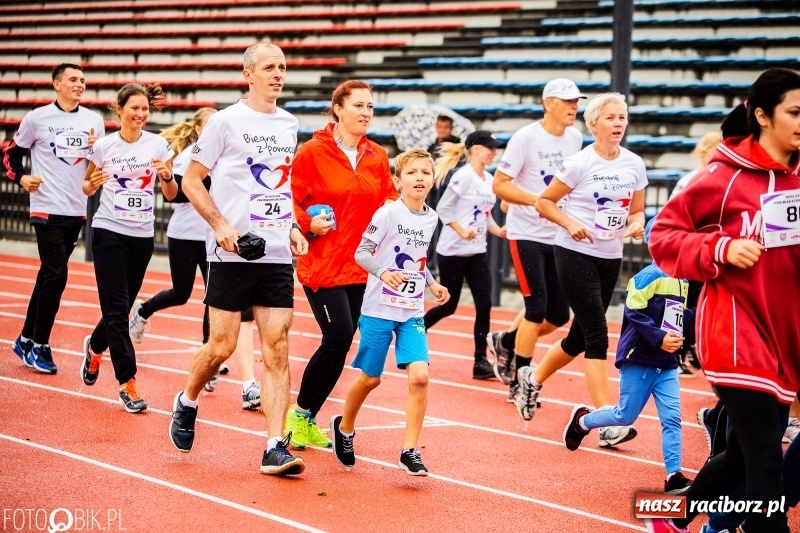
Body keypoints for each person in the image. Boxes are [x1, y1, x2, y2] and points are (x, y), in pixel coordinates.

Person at [645, 68, 800, 533]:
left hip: (784, 337)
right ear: (762, 115)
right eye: (794, 112)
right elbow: (663, 237)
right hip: (734, 332)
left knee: (739, 456)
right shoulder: (722, 176)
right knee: (765, 460)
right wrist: (720, 248)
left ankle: (668, 515)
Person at [167, 43, 309, 476]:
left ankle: (273, 445)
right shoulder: (225, 122)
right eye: (269, 67)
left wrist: (291, 227)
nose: (278, 74)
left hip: (276, 253)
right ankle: (187, 399)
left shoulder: (289, 123)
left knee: (278, 346)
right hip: (230, 252)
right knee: (222, 345)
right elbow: (191, 181)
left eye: (282, 67)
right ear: (248, 74)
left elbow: (280, 188)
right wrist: (221, 226)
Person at [520, 92, 647, 450]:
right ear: (593, 125)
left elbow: (637, 211)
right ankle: (608, 421)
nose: (618, 124)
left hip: (610, 256)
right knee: (597, 335)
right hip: (574, 251)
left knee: (577, 338)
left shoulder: (634, 164)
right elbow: (544, 202)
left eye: (622, 117)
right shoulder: (579, 163)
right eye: (610, 118)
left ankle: (532, 376)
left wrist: (636, 223)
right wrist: (570, 222)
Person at [124, 108, 262, 411]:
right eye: (209, 123)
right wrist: (170, 178)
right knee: (181, 292)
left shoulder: (229, 155)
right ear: (199, 130)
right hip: (185, 235)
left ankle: (210, 360)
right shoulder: (189, 157)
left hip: (216, 238)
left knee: (213, 298)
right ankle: (143, 310)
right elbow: (177, 194)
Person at [286, 79, 398, 449]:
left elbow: (389, 199)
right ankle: (297, 415)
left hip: (361, 265)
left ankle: (305, 418)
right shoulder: (311, 153)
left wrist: (393, 213)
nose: (366, 112)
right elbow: (289, 200)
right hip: (323, 263)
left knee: (342, 339)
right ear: (338, 109)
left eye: (371, 107)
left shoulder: (377, 156)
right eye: (359, 106)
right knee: (337, 336)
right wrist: (306, 223)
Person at [329, 148, 449, 476]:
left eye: (425, 172)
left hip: (411, 311)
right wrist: (383, 273)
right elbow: (362, 253)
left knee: (420, 376)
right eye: (412, 173)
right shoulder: (388, 214)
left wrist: (432, 284)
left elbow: (415, 260)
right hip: (379, 308)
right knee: (370, 378)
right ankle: (345, 426)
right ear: (398, 181)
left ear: (432, 178)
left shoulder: (431, 218)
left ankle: (410, 450)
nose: (420, 178)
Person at [563, 218, 693, 495]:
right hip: (640, 358)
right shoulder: (648, 277)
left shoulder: (683, 280)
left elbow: (681, 317)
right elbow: (634, 313)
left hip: (667, 363)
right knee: (625, 416)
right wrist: (659, 338)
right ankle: (583, 420)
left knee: (672, 419)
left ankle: (674, 476)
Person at [79, 83, 177, 412]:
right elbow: (87, 186)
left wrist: (167, 177)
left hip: (142, 236)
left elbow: (172, 194)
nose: (140, 114)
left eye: (144, 109)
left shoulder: (159, 145)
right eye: (134, 108)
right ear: (118, 110)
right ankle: (128, 383)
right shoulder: (104, 146)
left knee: (119, 310)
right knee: (117, 311)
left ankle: (94, 347)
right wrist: (91, 184)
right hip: (108, 232)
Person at [3, 63, 105, 374]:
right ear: (56, 84)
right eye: (73, 79)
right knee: (57, 274)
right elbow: (10, 155)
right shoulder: (37, 118)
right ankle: (40, 345)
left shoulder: (94, 121)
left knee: (48, 274)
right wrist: (21, 178)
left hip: (75, 210)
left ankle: (24, 338)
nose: (79, 84)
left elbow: (98, 164)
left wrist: (94, 151)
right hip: (45, 207)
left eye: (83, 80)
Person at [489, 78, 585, 399]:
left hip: (557, 234)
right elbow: (500, 185)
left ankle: (505, 341)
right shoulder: (525, 138)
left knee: (559, 316)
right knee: (536, 308)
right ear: (548, 104)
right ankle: (521, 382)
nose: (575, 106)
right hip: (526, 232)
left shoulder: (575, 138)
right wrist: (538, 201)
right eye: (568, 101)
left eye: (577, 101)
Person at [422, 130, 505, 379]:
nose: (494, 152)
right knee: (449, 306)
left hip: (477, 251)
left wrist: (497, 231)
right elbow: (443, 208)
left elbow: (485, 214)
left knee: (485, 304)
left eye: (495, 148)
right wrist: (461, 230)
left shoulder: (489, 179)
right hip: (453, 251)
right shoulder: (463, 176)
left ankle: (480, 362)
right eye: (489, 148)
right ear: (475, 149)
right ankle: (415, 330)